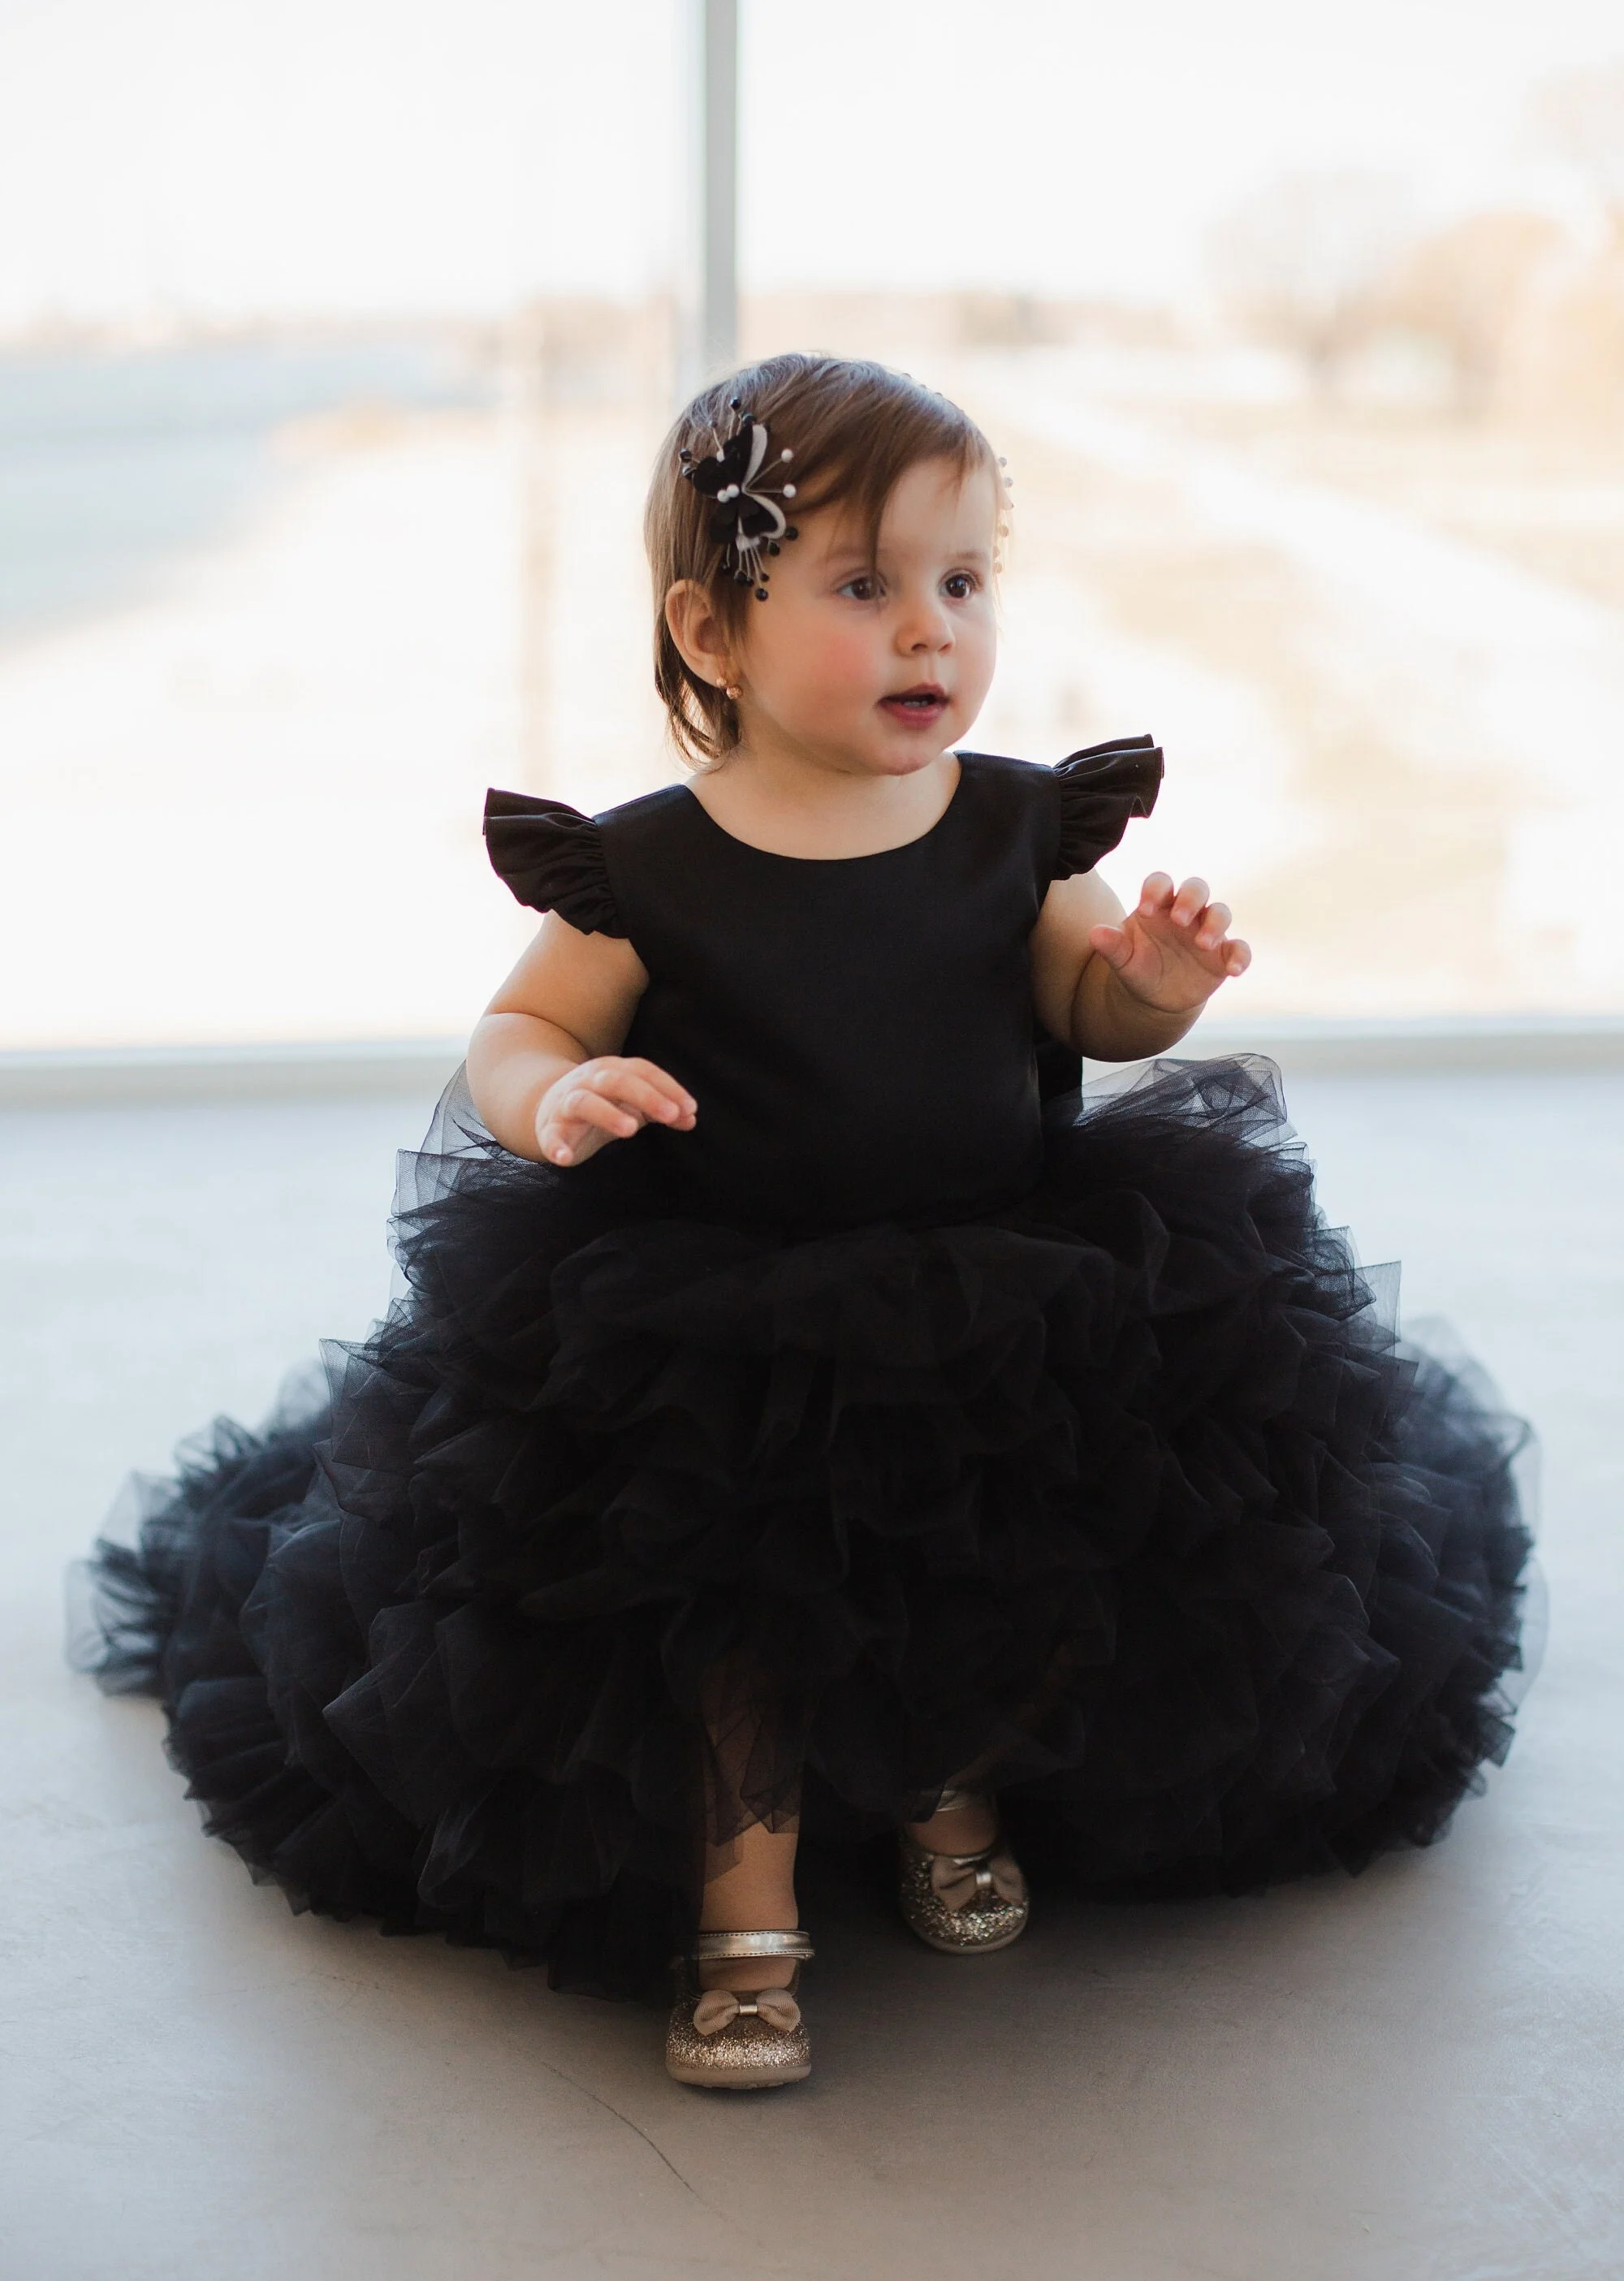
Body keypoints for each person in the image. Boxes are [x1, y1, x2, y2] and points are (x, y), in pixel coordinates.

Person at [74, 353, 1534, 2093]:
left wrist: (1149, 984)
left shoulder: (1012, 826)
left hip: (1007, 1275)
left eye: (963, 582)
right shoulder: (648, 868)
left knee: (995, 1555)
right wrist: (555, 1096)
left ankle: (943, 1789)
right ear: (710, 632)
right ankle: (741, 1912)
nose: (931, 632)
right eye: (863, 586)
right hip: (725, 1315)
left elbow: (1084, 1013)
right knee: (740, 1602)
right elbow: (519, 1029)